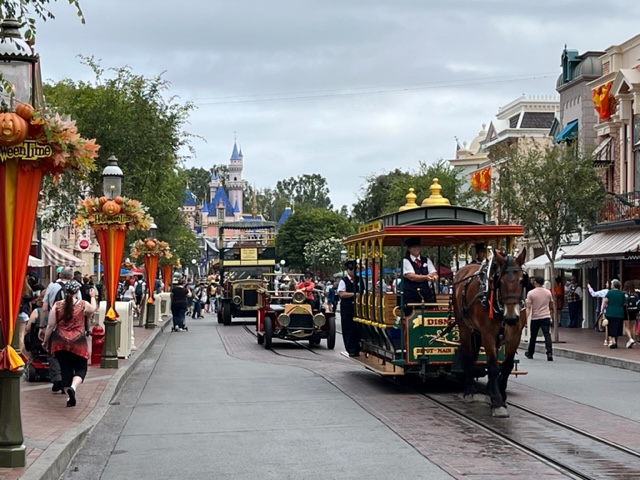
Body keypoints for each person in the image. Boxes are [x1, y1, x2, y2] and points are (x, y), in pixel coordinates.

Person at [42, 280, 98, 407]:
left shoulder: (57, 305)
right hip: (78, 341)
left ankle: (69, 397)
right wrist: (93, 296)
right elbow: (93, 309)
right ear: (77, 292)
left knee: (65, 369)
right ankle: (73, 387)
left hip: (60, 341)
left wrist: (45, 341)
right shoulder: (82, 304)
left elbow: (51, 325)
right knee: (81, 368)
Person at [402, 237, 437, 314]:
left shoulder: (426, 260)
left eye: (417, 246)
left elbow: (434, 273)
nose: (416, 249)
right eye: (413, 247)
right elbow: (411, 276)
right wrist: (426, 277)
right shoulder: (405, 261)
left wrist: (434, 277)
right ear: (409, 249)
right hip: (411, 295)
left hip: (426, 294)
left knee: (428, 312)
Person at [524, 276, 554, 361]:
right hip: (546, 316)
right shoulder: (548, 292)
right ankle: (549, 352)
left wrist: (525, 319)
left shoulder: (531, 293)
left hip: (536, 317)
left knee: (533, 336)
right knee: (547, 335)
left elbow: (528, 307)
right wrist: (550, 313)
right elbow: (551, 304)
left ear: (535, 282)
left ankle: (530, 353)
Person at [338, 260, 362, 357]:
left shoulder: (359, 279)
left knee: (357, 327)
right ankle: (351, 349)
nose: (352, 271)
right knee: (348, 327)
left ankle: (358, 347)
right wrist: (354, 294)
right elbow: (341, 293)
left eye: (354, 269)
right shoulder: (343, 281)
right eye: (351, 269)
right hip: (347, 307)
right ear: (347, 270)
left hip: (358, 307)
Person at [602, 279, 626, 349]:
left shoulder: (609, 292)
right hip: (619, 312)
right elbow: (624, 303)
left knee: (611, 327)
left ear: (613, 285)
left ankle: (613, 341)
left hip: (610, 312)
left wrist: (602, 310)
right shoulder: (622, 293)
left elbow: (605, 301)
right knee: (617, 327)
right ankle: (615, 341)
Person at [622, 280, 638, 348]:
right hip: (634, 310)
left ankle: (630, 338)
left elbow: (623, 303)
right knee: (633, 326)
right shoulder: (635, 294)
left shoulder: (624, 294)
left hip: (627, 311)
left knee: (626, 326)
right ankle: (634, 340)